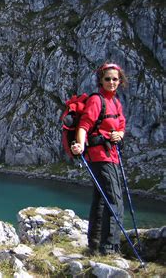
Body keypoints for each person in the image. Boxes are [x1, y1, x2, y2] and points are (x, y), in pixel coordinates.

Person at [71, 62, 127, 255]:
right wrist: (80, 145)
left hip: (111, 155)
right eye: (107, 79)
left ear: (120, 81)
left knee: (102, 200)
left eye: (115, 79)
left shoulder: (116, 102)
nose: (111, 82)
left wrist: (119, 135)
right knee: (114, 199)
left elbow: (120, 126)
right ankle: (109, 248)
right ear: (101, 80)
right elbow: (84, 126)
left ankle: (94, 245)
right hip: (99, 155)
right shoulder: (97, 100)